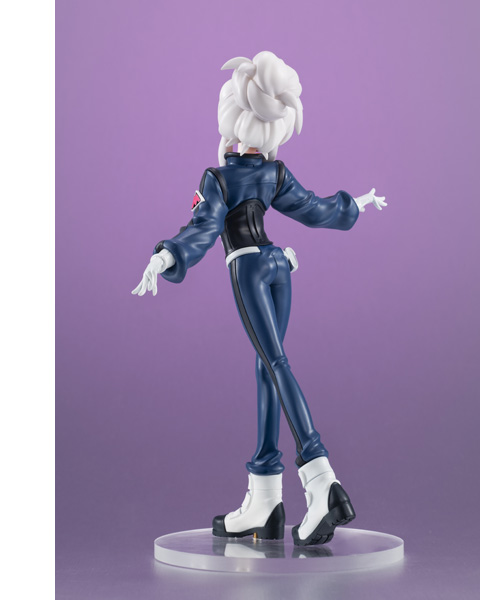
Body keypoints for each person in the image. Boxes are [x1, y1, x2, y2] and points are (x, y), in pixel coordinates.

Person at [132, 51, 387, 546]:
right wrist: (355, 204)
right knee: (267, 366)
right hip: (280, 266)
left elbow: (203, 229)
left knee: (275, 363)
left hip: (249, 267)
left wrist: (165, 256)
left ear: (232, 116)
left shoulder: (218, 179)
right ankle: (265, 497)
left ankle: (321, 481)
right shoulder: (274, 174)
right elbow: (314, 209)